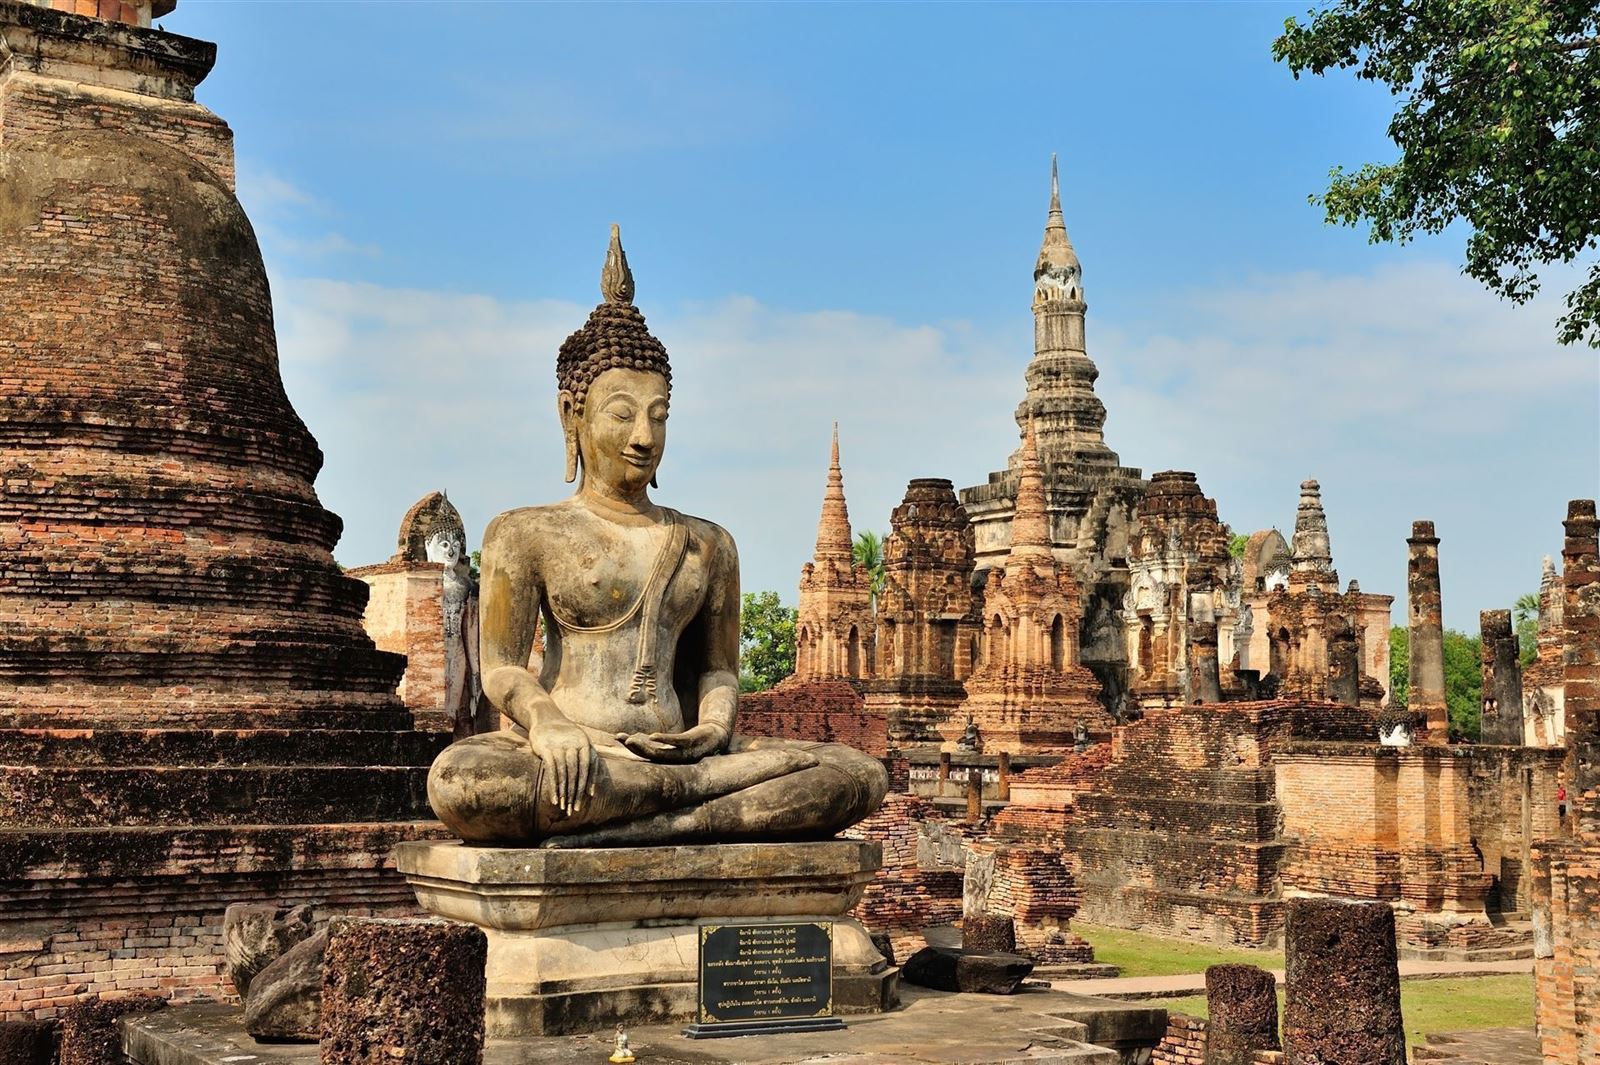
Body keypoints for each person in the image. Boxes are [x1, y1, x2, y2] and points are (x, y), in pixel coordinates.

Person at [426, 227, 887, 847]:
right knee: (465, 782)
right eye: (622, 413)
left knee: (853, 776)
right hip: (577, 756)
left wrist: (713, 731)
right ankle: (689, 813)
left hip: (684, 758)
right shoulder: (525, 532)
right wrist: (547, 724)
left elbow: (719, 672)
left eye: (659, 415)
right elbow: (503, 670)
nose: (644, 436)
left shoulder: (708, 544)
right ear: (573, 414)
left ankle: (660, 813)